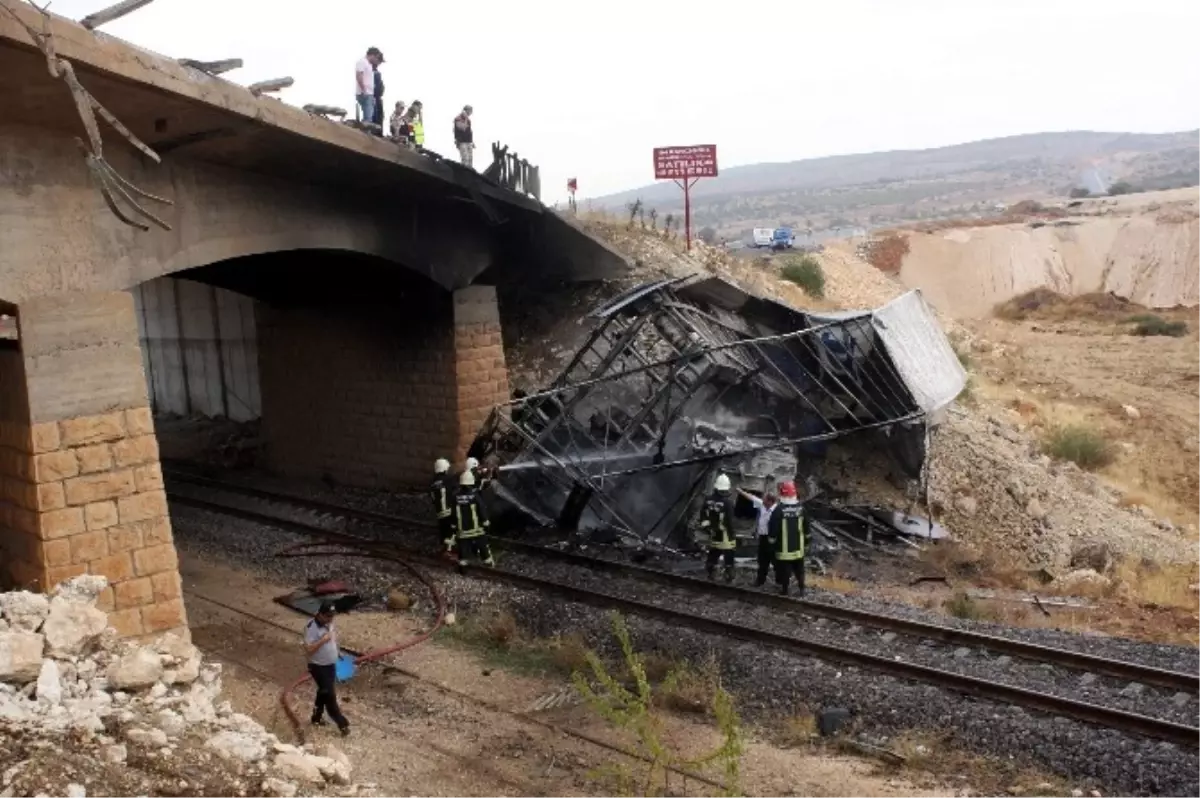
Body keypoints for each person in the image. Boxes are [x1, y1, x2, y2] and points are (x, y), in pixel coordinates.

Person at [304, 601, 350, 736]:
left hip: (330, 665)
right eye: (329, 616)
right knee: (330, 696)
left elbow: (333, 640)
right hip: (318, 666)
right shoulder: (311, 627)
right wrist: (322, 640)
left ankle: (316, 718)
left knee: (323, 692)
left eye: (332, 616)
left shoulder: (329, 623)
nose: (331, 619)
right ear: (321, 614)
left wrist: (338, 653)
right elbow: (309, 649)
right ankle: (342, 724)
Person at [767, 481, 806, 596]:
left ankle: (785, 590)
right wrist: (807, 544)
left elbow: (773, 529)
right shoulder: (801, 509)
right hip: (799, 550)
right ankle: (802, 589)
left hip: (784, 551)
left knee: (785, 571)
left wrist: (771, 544)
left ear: (782, 494)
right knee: (800, 570)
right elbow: (807, 528)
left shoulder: (778, 510)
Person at [454, 470, 495, 569]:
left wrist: (453, 525)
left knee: (463, 549)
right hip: (476, 530)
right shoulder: (474, 496)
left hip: (462, 531)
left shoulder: (455, 496)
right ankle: (488, 563)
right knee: (483, 546)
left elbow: (453, 513)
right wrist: (486, 522)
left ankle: (463, 567)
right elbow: (481, 509)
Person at [737, 487, 777, 587]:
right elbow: (751, 498)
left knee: (775, 560)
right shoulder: (762, 505)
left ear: (770, 501)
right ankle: (760, 581)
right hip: (763, 538)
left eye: (765, 500)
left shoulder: (777, 511)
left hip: (773, 539)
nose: (763, 501)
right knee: (762, 560)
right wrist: (740, 491)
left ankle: (780, 581)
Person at [701, 473, 737, 582]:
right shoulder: (728, 503)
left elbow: (703, 515)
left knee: (714, 552)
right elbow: (730, 521)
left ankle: (711, 572)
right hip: (725, 534)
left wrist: (707, 528)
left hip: (713, 533)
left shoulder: (708, 499)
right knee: (729, 555)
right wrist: (733, 534)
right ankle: (729, 576)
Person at [430, 458, 456, 556]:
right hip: (449, 510)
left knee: (444, 531)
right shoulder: (448, 479)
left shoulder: (433, 482)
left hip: (439, 512)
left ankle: (445, 549)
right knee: (453, 530)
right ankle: (448, 551)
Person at [354, 47, 384, 126]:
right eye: (376, 57)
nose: (376, 60)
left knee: (369, 116)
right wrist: (364, 90)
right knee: (368, 117)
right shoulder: (362, 62)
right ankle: (364, 133)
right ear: (372, 55)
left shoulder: (368, 64)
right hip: (365, 93)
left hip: (369, 94)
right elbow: (359, 76)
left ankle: (366, 131)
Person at [372, 63, 385, 129]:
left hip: (377, 97)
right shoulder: (374, 74)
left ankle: (378, 130)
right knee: (375, 115)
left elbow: (381, 88)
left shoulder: (377, 73)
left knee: (379, 115)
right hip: (373, 97)